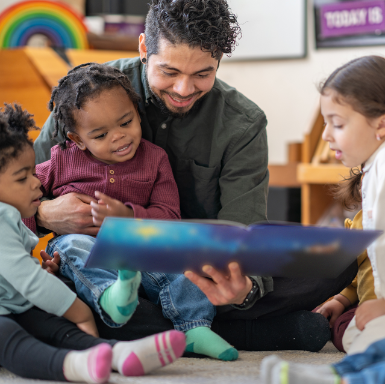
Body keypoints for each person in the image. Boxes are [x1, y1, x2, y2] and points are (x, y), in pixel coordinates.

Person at [33, 0, 357, 352]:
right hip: (107, 268)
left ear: (218, 61)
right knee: (65, 280)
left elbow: (243, 230)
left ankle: (160, 325)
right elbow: (18, 188)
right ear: (144, 47)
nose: (184, 89)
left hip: (196, 272)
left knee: (333, 259)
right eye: (169, 72)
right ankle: (232, 332)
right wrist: (44, 213)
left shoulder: (243, 122)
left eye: (203, 74)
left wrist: (243, 289)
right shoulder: (87, 95)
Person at [25, 62, 238, 361]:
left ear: (137, 112)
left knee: (181, 262)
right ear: (78, 140)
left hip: (141, 243)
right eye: (100, 135)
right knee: (75, 246)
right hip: (84, 244)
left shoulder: (154, 159)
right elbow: (21, 202)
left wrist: (128, 216)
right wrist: (31, 237)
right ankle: (113, 297)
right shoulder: (60, 161)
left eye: (126, 123)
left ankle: (194, 327)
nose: (119, 137)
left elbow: (169, 217)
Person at [0, 103, 185, 382]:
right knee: (9, 336)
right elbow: (29, 283)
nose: (36, 183)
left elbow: (19, 270)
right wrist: (81, 312)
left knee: (50, 324)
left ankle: (115, 353)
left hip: (13, 305)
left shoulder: (10, 217)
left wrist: (42, 267)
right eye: (22, 178)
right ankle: (73, 365)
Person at [260, 55, 385, 383]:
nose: (327, 135)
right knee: (358, 334)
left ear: (381, 125)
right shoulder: (373, 173)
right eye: (326, 122)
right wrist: (345, 298)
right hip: (376, 309)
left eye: (338, 124)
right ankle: (341, 373)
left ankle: (341, 377)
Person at [316, 210, 376, 352]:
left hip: (375, 309)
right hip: (362, 302)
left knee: (343, 328)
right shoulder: (364, 219)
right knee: (321, 313)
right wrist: (341, 300)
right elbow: (356, 272)